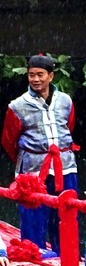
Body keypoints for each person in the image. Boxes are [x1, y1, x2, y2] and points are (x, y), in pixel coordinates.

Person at [2, 54, 78, 253]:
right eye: (31, 75)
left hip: (64, 167)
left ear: (51, 76)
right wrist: (30, 158)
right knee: (33, 218)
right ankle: (33, 258)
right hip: (32, 172)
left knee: (65, 214)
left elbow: (68, 128)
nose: (35, 79)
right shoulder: (17, 105)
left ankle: (65, 256)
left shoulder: (65, 101)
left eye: (40, 75)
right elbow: (9, 140)